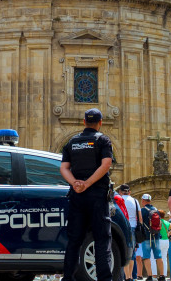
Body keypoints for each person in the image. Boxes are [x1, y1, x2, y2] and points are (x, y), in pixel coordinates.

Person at [60, 108, 114, 281]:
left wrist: (75, 183)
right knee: (101, 239)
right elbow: (106, 164)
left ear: (84, 122)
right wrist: (88, 183)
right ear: (100, 123)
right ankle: (104, 278)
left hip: (77, 196)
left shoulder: (71, 142)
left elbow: (63, 168)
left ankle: (68, 278)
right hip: (97, 195)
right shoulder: (103, 140)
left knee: (74, 240)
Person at [140, 194, 167, 281]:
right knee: (158, 256)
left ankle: (150, 276)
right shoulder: (156, 210)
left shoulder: (142, 210)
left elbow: (140, 223)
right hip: (156, 236)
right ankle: (162, 276)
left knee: (146, 257)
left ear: (143, 201)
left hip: (146, 237)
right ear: (150, 201)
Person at [118, 184, 142, 281]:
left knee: (123, 251)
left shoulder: (119, 200)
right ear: (129, 192)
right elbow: (140, 218)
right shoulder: (135, 201)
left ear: (120, 191)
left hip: (123, 227)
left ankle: (125, 276)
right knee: (132, 253)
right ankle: (130, 276)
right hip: (133, 228)